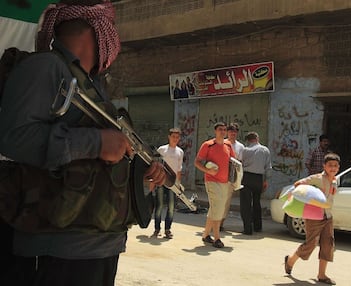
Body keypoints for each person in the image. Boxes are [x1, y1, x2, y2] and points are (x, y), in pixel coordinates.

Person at [0, 1, 166, 285]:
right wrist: (96, 142)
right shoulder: (45, 67)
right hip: (58, 248)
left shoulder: (91, 86)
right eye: (111, 28)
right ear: (93, 31)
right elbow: (13, 139)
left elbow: (111, 152)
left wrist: (147, 163)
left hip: (99, 242)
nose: (114, 38)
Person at [284, 153, 341, 285]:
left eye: (335, 166)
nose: (333, 168)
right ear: (324, 166)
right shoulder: (317, 178)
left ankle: (321, 275)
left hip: (328, 217)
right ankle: (290, 261)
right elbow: (298, 184)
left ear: (338, 167)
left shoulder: (335, 180)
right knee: (310, 244)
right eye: (330, 165)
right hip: (315, 217)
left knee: (328, 244)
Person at [194, 122, 235, 248]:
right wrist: (207, 170)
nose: (222, 131)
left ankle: (206, 235)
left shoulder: (228, 145)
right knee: (217, 208)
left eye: (224, 130)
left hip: (225, 182)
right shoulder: (208, 145)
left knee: (216, 209)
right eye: (220, 129)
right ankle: (217, 238)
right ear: (215, 131)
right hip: (212, 181)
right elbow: (197, 162)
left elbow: (233, 162)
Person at [152, 128, 184, 239]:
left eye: (177, 137)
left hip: (172, 183)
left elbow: (179, 170)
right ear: (169, 137)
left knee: (171, 207)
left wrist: (178, 184)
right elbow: (155, 165)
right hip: (160, 181)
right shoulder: (162, 150)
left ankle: (167, 230)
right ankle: (156, 229)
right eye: (173, 136)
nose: (175, 139)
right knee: (159, 206)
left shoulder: (180, 152)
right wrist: (153, 181)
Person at [239, 132, 271, 234]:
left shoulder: (244, 150)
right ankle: (258, 227)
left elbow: (239, 164)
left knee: (246, 204)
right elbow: (268, 167)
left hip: (247, 177)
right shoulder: (265, 150)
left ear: (248, 140)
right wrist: (266, 180)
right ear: (257, 138)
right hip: (259, 179)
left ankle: (247, 228)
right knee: (257, 203)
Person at [221, 122, 244, 231]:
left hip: (231, 177)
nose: (232, 134)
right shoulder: (222, 143)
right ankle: (213, 221)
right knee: (217, 199)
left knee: (226, 201)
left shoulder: (240, 147)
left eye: (234, 132)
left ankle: (221, 222)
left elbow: (240, 163)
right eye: (230, 132)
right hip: (220, 175)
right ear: (227, 133)